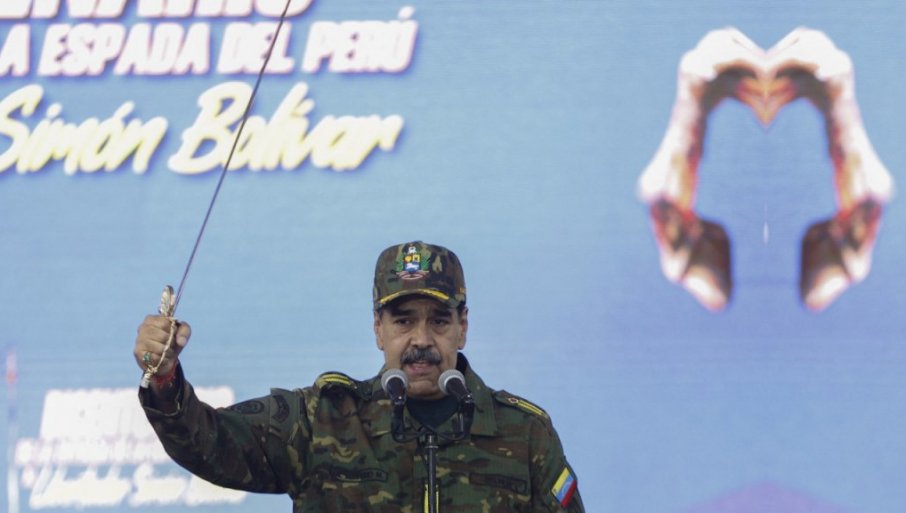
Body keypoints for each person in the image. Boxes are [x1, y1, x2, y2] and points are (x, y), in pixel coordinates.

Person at [134, 241, 585, 512]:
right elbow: (209, 444)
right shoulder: (322, 419)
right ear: (378, 329)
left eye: (439, 321)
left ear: (462, 327)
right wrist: (165, 378)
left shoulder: (524, 433)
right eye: (403, 321)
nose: (421, 340)